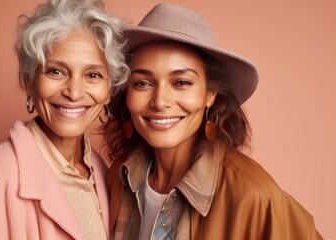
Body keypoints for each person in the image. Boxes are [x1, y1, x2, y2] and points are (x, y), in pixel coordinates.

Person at [104, 3, 322, 239]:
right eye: (142, 83)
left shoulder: (251, 193)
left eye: (182, 83)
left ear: (210, 94)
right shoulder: (120, 176)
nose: (160, 101)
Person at [0, 0, 128, 239]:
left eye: (93, 75)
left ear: (109, 90)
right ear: (29, 81)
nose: (73, 92)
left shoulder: (102, 171)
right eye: (56, 71)